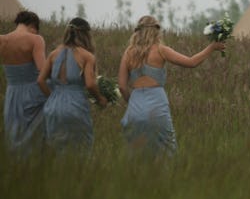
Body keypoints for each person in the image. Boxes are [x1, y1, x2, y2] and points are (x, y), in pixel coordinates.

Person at [117, 15, 225, 156]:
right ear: (156, 31)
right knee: (166, 150)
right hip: (157, 105)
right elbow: (191, 62)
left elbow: (122, 87)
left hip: (134, 108)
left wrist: (132, 102)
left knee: (137, 154)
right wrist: (212, 47)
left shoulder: (128, 53)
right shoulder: (161, 50)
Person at [37, 17, 107, 153]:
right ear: (86, 35)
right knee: (80, 149)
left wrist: (52, 97)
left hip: (53, 106)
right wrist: (100, 99)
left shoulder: (53, 54)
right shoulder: (87, 56)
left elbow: (40, 80)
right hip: (75, 106)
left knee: (56, 149)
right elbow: (90, 84)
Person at [1, 11, 48, 155]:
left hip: (12, 94)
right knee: (33, 139)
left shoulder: (2, 40)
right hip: (32, 93)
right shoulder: (35, 39)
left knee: (14, 134)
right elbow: (42, 69)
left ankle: (17, 170)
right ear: (33, 26)